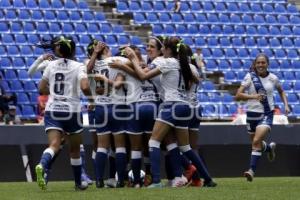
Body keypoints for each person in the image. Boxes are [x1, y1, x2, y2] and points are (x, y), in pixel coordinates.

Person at [123, 37, 216, 188]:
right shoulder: (190, 67)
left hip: (170, 105)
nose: (162, 52)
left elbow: (142, 76)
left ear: (167, 50)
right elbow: (195, 82)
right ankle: (208, 179)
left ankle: (157, 181)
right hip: (185, 106)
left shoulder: (168, 63)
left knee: (153, 142)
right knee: (185, 147)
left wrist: (133, 58)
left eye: (164, 49)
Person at [29, 36, 93, 185]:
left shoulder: (51, 65)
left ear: (59, 50)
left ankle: (42, 165)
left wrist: (54, 92)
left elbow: (40, 89)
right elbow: (84, 87)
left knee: (54, 145)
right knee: (75, 149)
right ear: (73, 50)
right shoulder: (78, 66)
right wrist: (92, 100)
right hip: (72, 111)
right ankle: (79, 182)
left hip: (53, 110)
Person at [235, 53, 290, 182]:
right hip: (251, 114)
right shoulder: (249, 77)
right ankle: (269, 148)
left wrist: (286, 105)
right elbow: (238, 95)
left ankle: (251, 171)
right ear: (255, 64)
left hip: (266, 113)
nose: (260, 65)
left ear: (267, 64)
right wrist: (253, 97)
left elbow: (281, 91)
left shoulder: (273, 78)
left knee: (256, 142)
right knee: (256, 142)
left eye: (263, 62)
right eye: (258, 63)